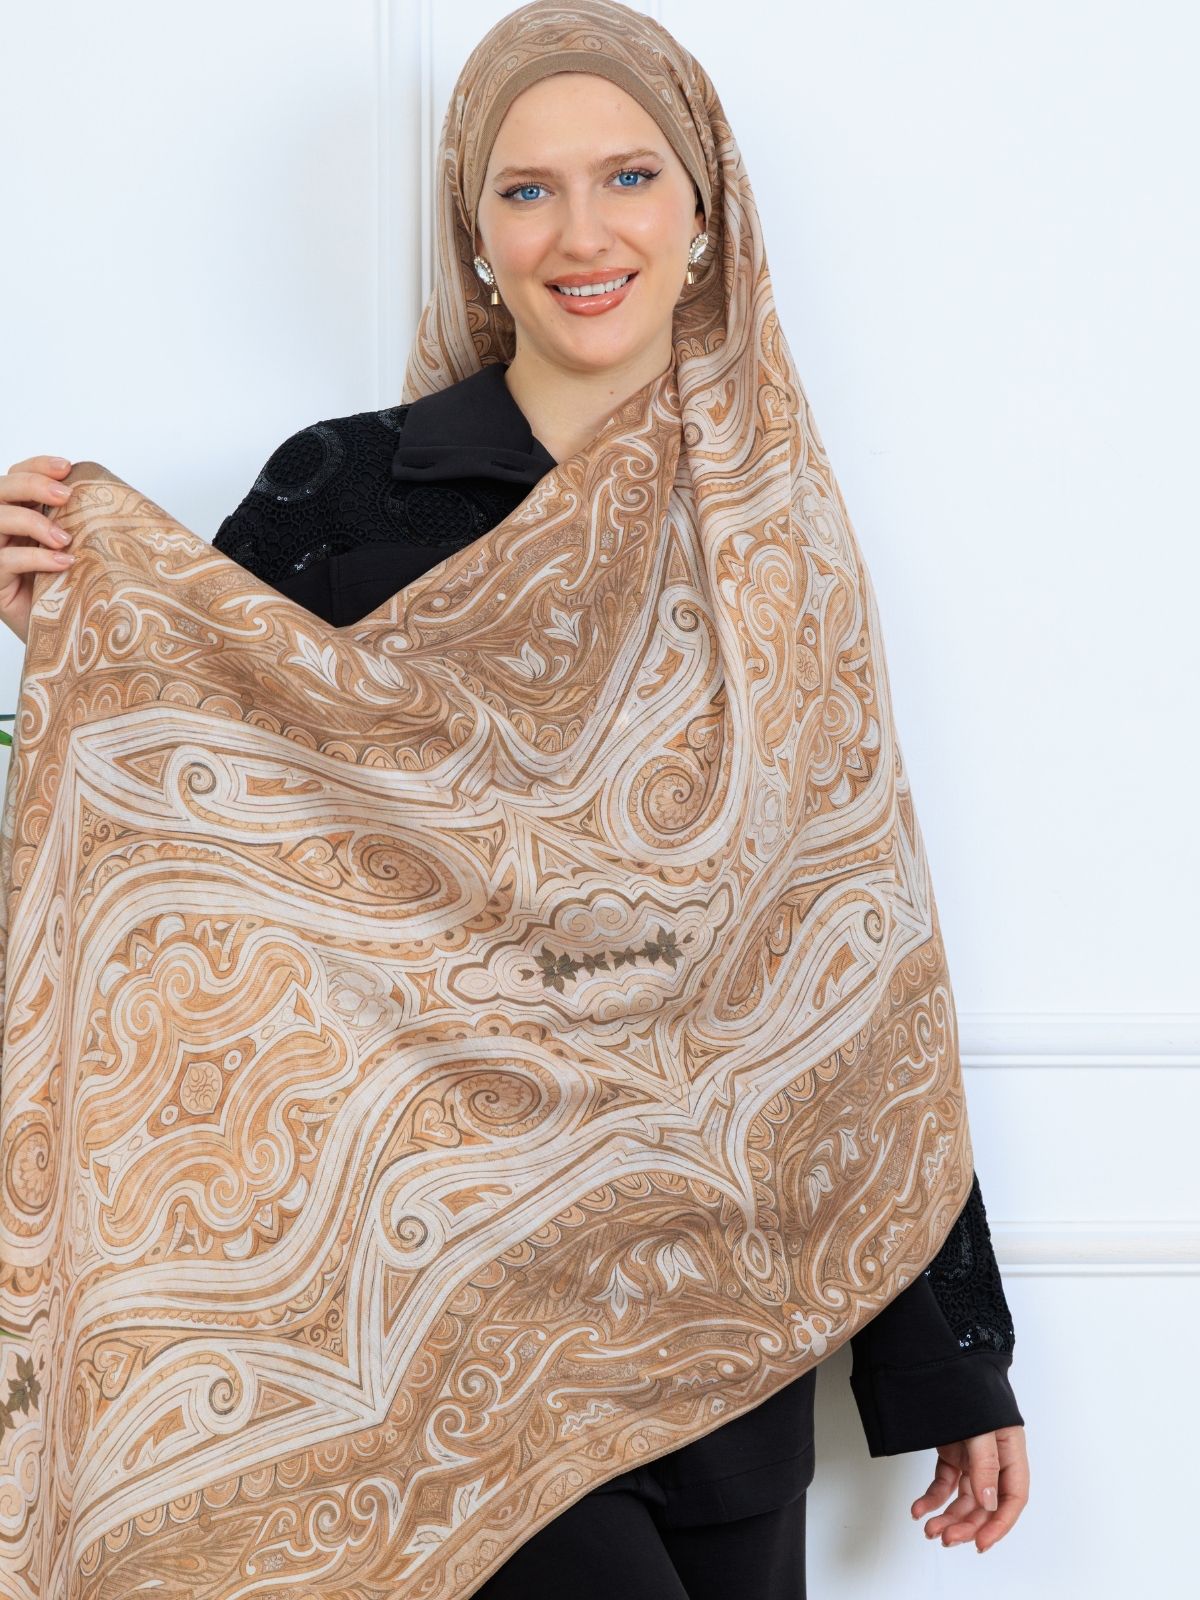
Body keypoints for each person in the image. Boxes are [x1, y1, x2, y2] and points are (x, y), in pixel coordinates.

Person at [0, 2, 1030, 1592]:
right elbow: (187, 837)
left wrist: (950, 1364)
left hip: (725, 1328)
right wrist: (67, 625)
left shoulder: (778, 547)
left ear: (706, 210)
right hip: (436, 1343)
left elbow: (850, 948)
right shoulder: (346, 493)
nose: (582, 232)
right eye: (526, 190)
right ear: (474, 237)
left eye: (629, 176)